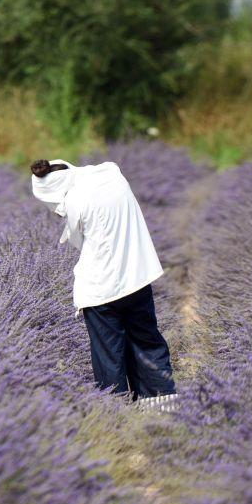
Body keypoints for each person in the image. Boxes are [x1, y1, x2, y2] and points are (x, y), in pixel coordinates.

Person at [30, 159, 175, 400]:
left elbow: (78, 241)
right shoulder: (112, 175)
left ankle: (117, 413)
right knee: (147, 341)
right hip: (136, 277)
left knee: (109, 355)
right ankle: (161, 403)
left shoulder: (76, 201)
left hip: (101, 289)